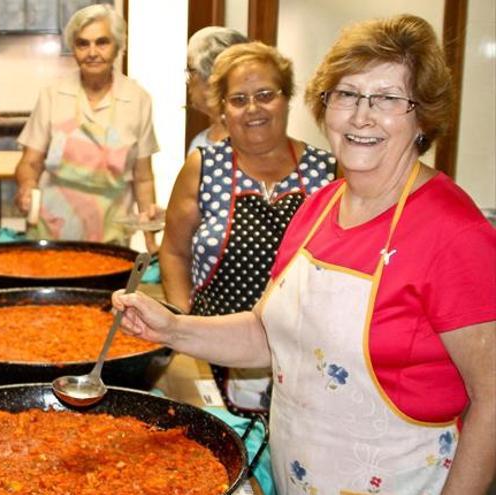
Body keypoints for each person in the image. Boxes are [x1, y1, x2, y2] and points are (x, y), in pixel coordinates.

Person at [115, 14, 495, 494]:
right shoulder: (318, 207)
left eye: (388, 99)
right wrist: (171, 327)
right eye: (347, 94)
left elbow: (492, 397)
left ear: (423, 116)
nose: (361, 116)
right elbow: (266, 333)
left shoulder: (453, 230)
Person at [160, 41, 336, 417]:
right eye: (238, 99)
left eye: (265, 95)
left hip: (302, 355)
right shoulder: (203, 167)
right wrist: (183, 324)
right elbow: (174, 251)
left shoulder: (327, 172)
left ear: (287, 99)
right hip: (213, 352)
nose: (253, 108)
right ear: (222, 108)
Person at [13, 4, 159, 251]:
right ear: (74, 49)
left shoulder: (137, 99)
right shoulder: (53, 95)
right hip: (52, 230)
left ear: (117, 46)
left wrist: (151, 239)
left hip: (111, 233)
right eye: (83, 44)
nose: (92, 52)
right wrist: (26, 186)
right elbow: (30, 163)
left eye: (102, 42)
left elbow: (143, 178)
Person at [184, 27, 247, 155]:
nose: (187, 81)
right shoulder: (200, 142)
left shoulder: (252, 143)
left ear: (212, 77)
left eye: (190, 70)